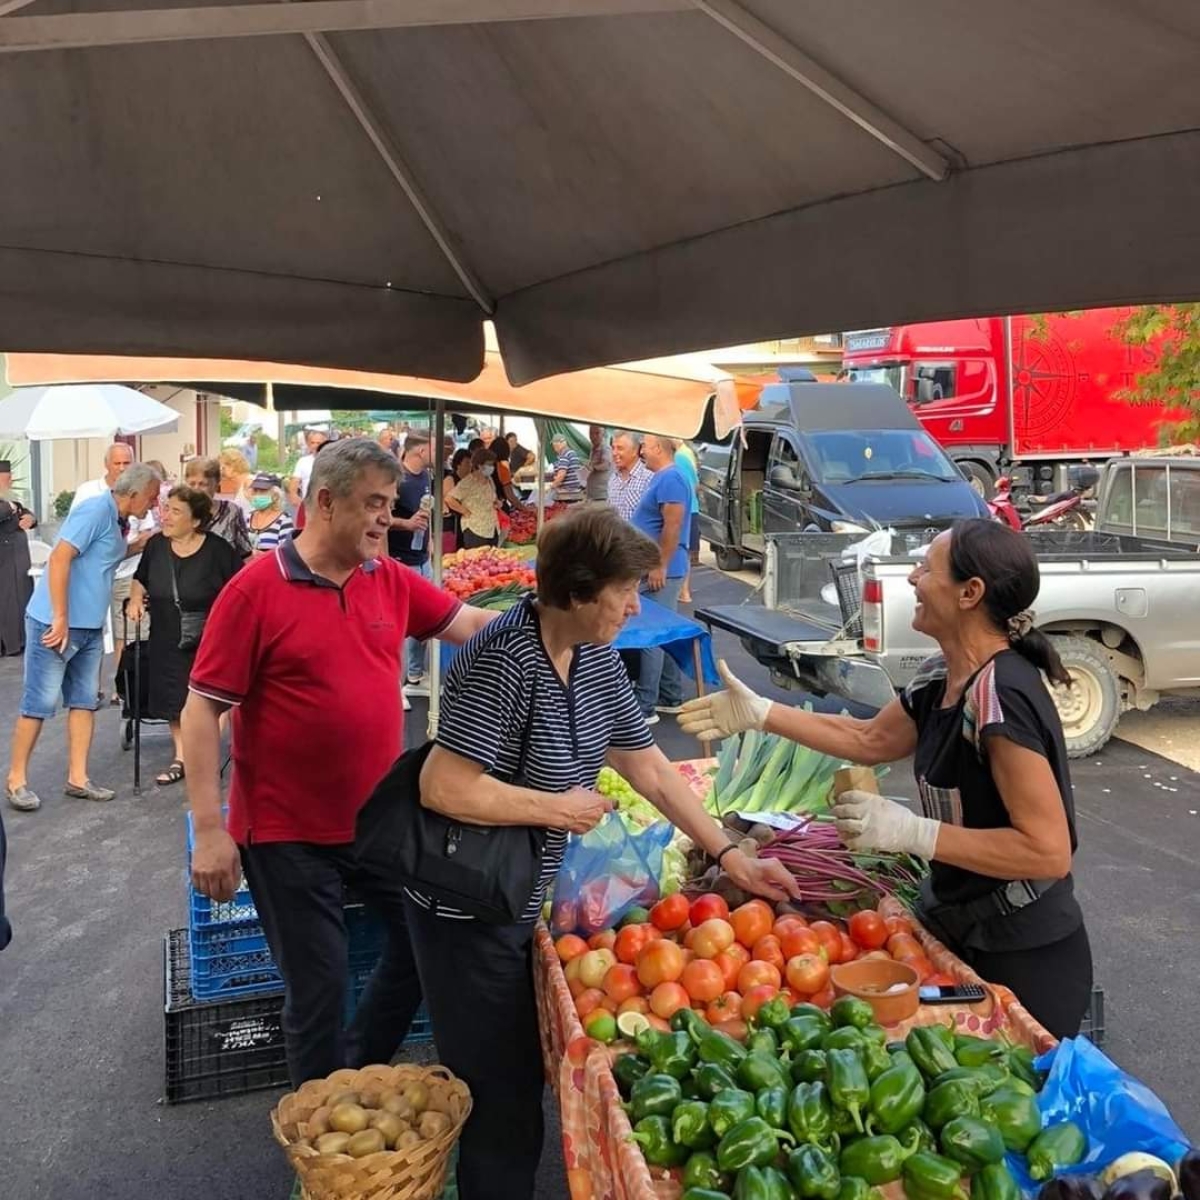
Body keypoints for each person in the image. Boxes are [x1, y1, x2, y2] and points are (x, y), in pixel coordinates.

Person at [410, 504, 800, 1199]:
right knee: (503, 1100)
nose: (633, 604)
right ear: (580, 591)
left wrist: (728, 852)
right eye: (624, 590)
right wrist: (557, 808)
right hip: (467, 908)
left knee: (519, 1077)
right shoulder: (505, 656)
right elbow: (442, 785)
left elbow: (647, 765)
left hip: (522, 893)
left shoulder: (592, 658)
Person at [680, 519, 1094, 1038]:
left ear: (970, 593)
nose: (913, 579)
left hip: (1022, 952)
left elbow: (1047, 851)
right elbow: (870, 741)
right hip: (959, 925)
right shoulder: (940, 676)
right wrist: (762, 712)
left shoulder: (999, 696)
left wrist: (914, 833)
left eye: (927, 568)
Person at [183, 438, 497, 1087]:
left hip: (377, 821)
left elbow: (472, 625)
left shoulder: (389, 581)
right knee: (319, 989)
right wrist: (211, 832)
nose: (388, 517)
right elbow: (200, 711)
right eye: (374, 504)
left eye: (390, 503)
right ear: (324, 502)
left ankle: (355, 1077)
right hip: (285, 832)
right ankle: (321, 1143)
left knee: (420, 945)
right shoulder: (255, 592)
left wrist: (554, 624)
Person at [5, 464, 162, 812]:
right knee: (39, 703)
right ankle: (16, 779)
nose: (152, 506)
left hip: (89, 625)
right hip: (55, 621)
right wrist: (60, 617)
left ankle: (78, 777)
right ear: (133, 494)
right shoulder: (95, 509)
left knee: (84, 701)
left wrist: (141, 544)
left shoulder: (120, 520)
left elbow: (105, 555)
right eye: (151, 498)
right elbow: (60, 558)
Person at [128, 486, 241, 785]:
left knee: (211, 697)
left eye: (175, 511)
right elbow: (141, 578)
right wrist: (137, 599)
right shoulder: (155, 547)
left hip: (212, 636)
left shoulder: (218, 550)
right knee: (173, 698)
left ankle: (204, 756)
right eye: (165, 509)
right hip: (166, 634)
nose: (164, 516)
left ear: (194, 521)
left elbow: (239, 591)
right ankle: (182, 757)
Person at [631, 434, 692, 722]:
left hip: (662, 569)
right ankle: (670, 695)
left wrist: (659, 565)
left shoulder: (671, 479)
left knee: (650, 633)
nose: (641, 450)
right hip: (656, 565)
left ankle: (646, 705)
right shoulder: (664, 478)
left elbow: (674, 525)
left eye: (644, 445)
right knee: (662, 632)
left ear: (657, 448)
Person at [387, 434, 435, 692]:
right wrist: (406, 523)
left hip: (423, 558)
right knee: (398, 625)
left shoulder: (427, 477)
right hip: (400, 559)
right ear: (420, 450)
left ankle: (416, 675)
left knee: (424, 621)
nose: (442, 454)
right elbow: (381, 516)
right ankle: (394, 685)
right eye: (435, 448)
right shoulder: (397, 479)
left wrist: (431, 540)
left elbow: (428, 513)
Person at [0, 461, 37, 657]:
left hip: (19, 560)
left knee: (21, 600)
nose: (10, 481)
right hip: (4, 561)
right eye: (6, 478)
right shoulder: (7, 503)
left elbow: (25, 512)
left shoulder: (11, 500)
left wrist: (30, 519)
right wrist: (10, 507)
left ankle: (21, 641)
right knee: (6, 603)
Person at [183, 457, 253, 559]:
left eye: (203, 484)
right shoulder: (179, 511)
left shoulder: (232, 512)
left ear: (216, 484)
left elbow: (246, 554)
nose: (196, 489)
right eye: (192, 484)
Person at [446, 448, 501, 549]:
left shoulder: (490, 480)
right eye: (489, 464)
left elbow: (493, 498)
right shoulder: (468, 482)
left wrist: (497, 503)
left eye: (492, 464)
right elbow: (449, 499)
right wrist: (465, 511)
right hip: (475, 529)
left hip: (492, 528)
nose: (492, 467)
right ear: (480, 465)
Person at [674, 441, 702, 603]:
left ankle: (684, 591)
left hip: (685, 509)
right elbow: (696, 484)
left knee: (681, 550)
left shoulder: (679, 457)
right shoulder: (687, 453)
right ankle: (684, 591)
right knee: (685, 551)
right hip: (691, 507)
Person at [608, 430, 653, 520]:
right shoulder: (613, 479)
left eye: (620, 448)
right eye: (613, 448)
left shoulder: (648, 478)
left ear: (635, 451)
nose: (614, 453)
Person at [246, 473, 294, 555]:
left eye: (263, 491)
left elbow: (286, 554)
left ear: (275, 495)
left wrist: (261, 556)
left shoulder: (284, 520)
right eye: (255, 490)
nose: (257, 495)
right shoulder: (247, 517)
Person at [491, 436, 530, 515]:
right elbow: (510, 496)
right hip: (499, 508)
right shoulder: (502, 469)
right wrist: (525, 509)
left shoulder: (481, 468)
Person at [443, 448, 472, 551]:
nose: (470, 466)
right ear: (458, 464)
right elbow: (449, 500)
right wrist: (465, 512)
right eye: (467, 463)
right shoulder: (450, 479)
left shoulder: (470, 480)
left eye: (471, 463)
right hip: (453, 524)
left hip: (466, 523)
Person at [548, 434, 584, 502]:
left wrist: (552, 486)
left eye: (555, 445)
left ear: (561, 443)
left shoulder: (565, 454)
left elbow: (561, 475)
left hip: (568, 491)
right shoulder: (571, 452)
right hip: (574, 489)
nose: (554, 447)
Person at [585, 424, 613, 502]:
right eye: (591, 433)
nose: (593, 436)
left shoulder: (605, 448)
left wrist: (593, 467)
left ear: (602, 434)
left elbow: (606, 464)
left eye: (597, 433)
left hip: (601, 494)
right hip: (593, 493)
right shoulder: (593, 448)